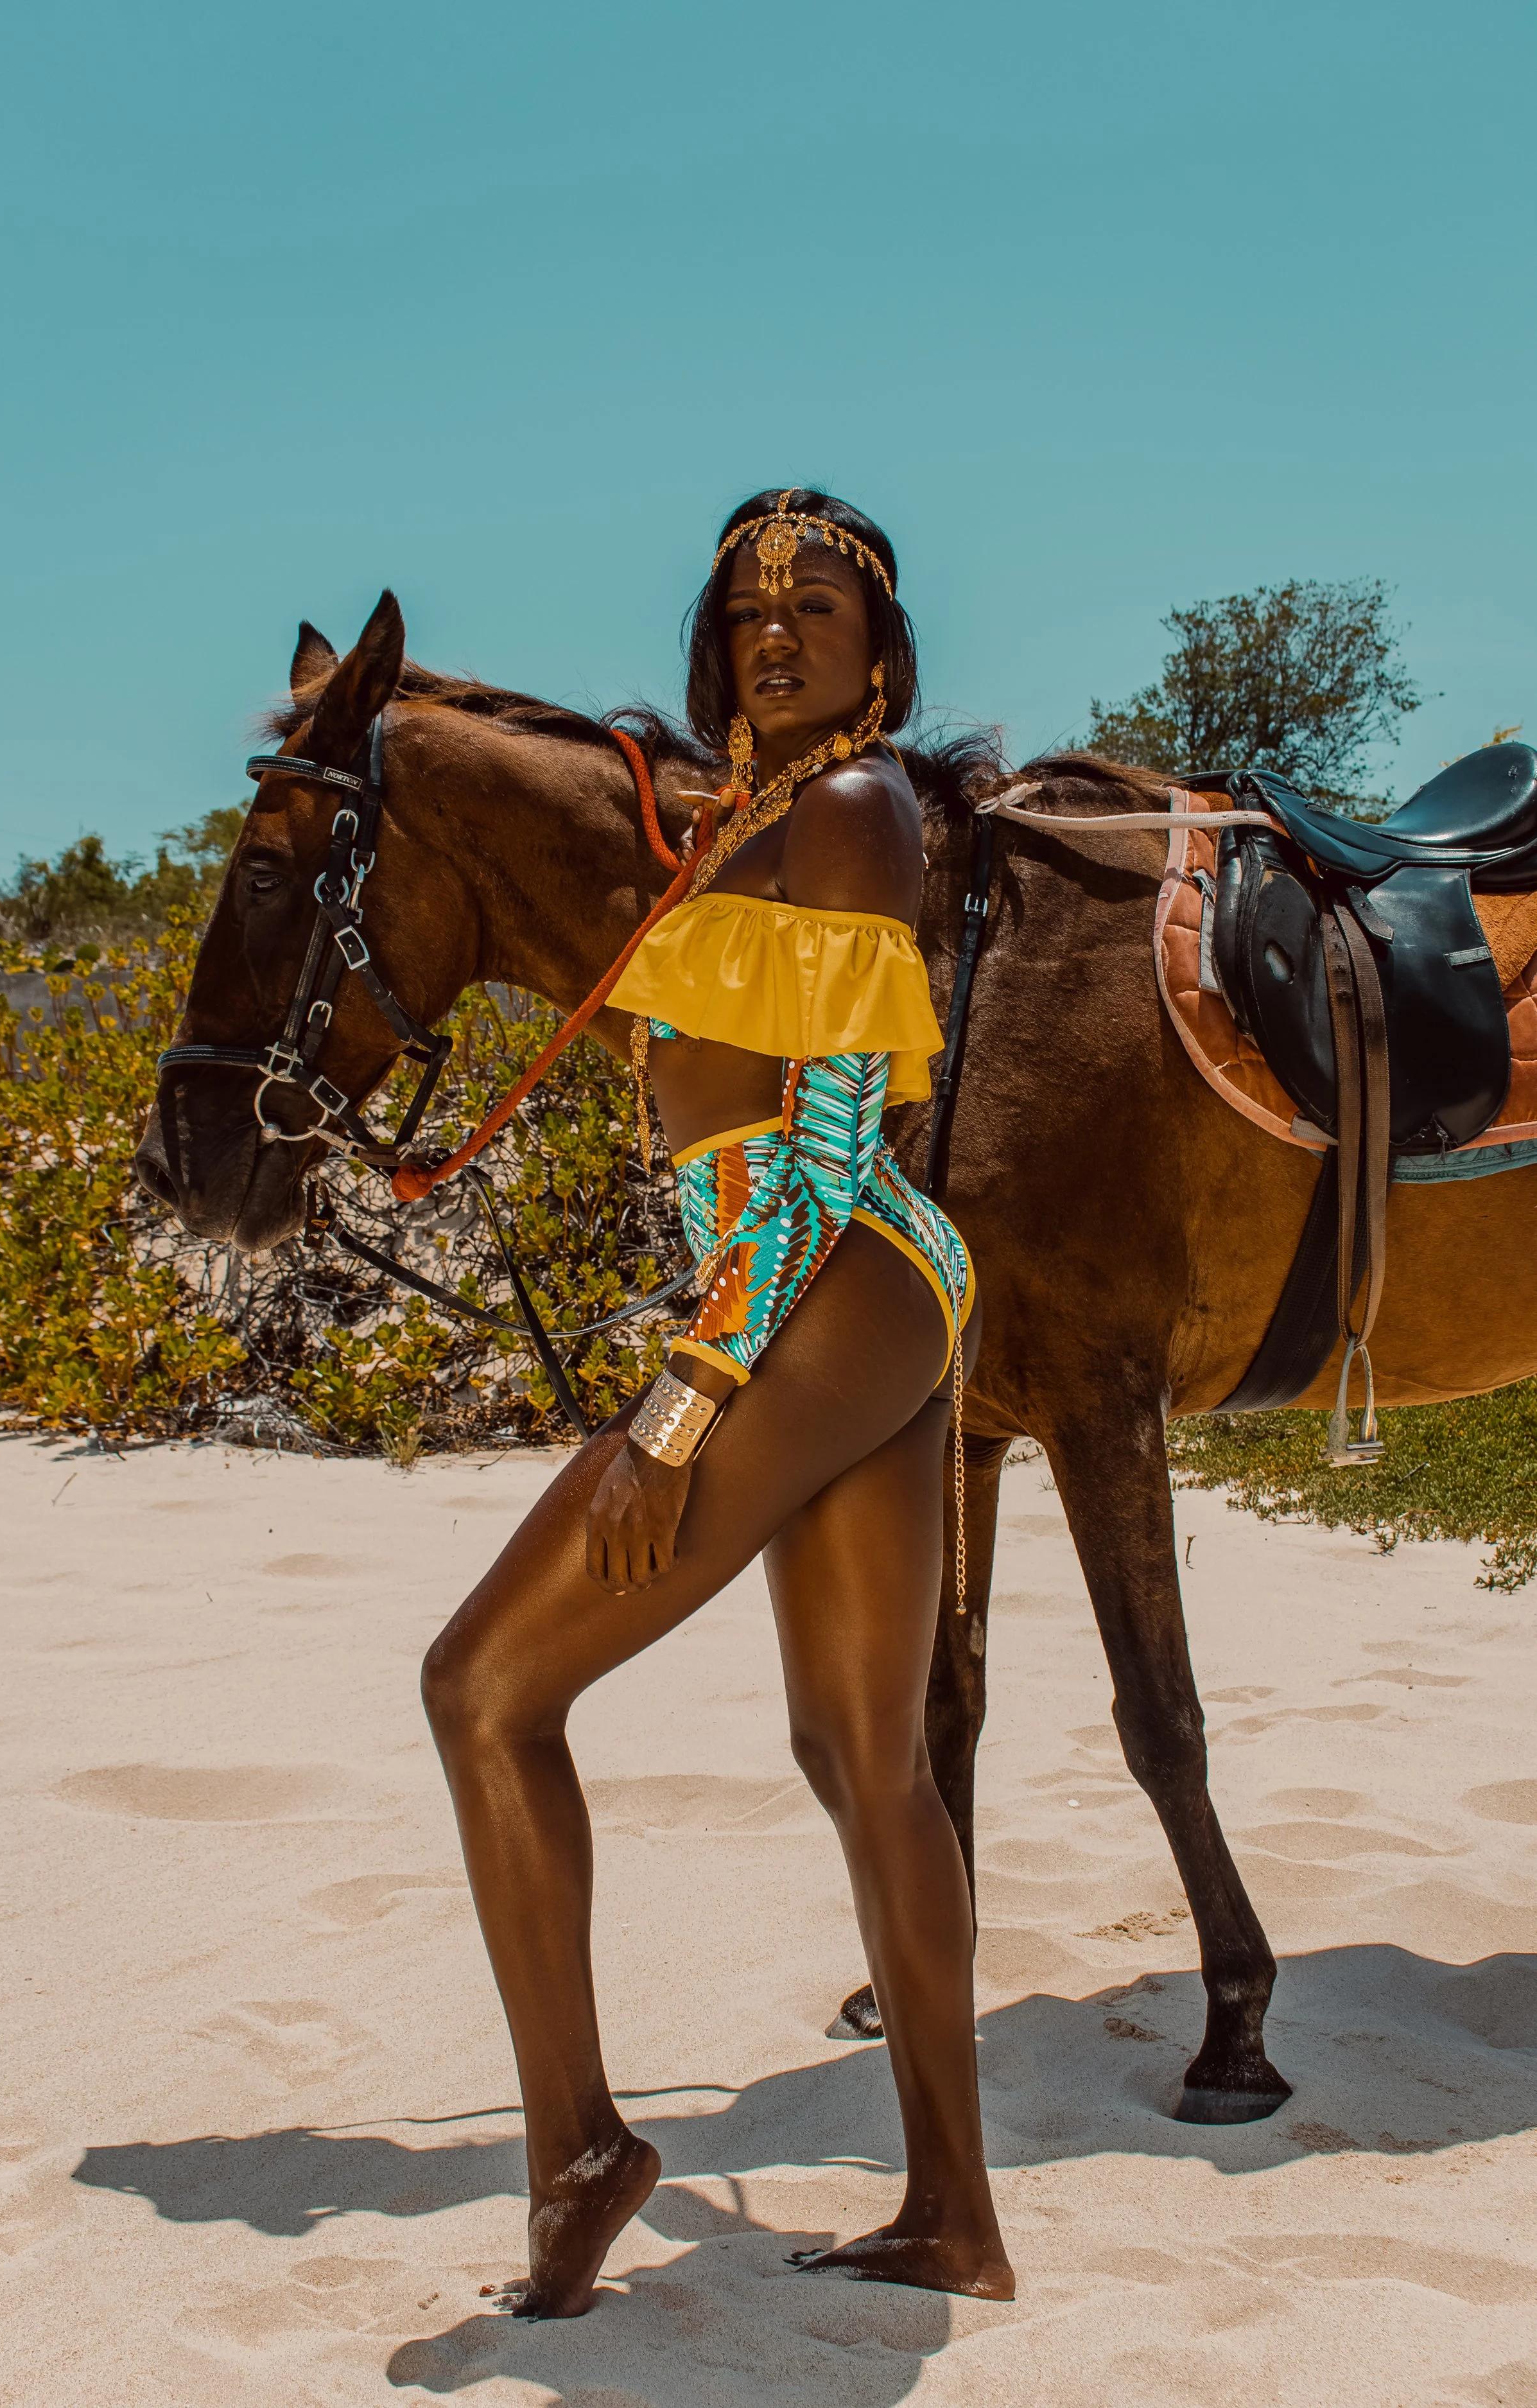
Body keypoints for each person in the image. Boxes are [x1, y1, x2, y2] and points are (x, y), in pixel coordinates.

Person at [421, 488, 1014, 2316]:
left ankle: (578, 2150)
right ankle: (952, 2213)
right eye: (748, 609)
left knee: (484, 1685)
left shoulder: (846, 803)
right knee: (861, 1753)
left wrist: (691, 1384)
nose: (776, 630)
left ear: (878, 652)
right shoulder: (746, 824)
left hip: (833, 1276)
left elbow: (829, 1140)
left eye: (818, 606)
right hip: (858, 1298)